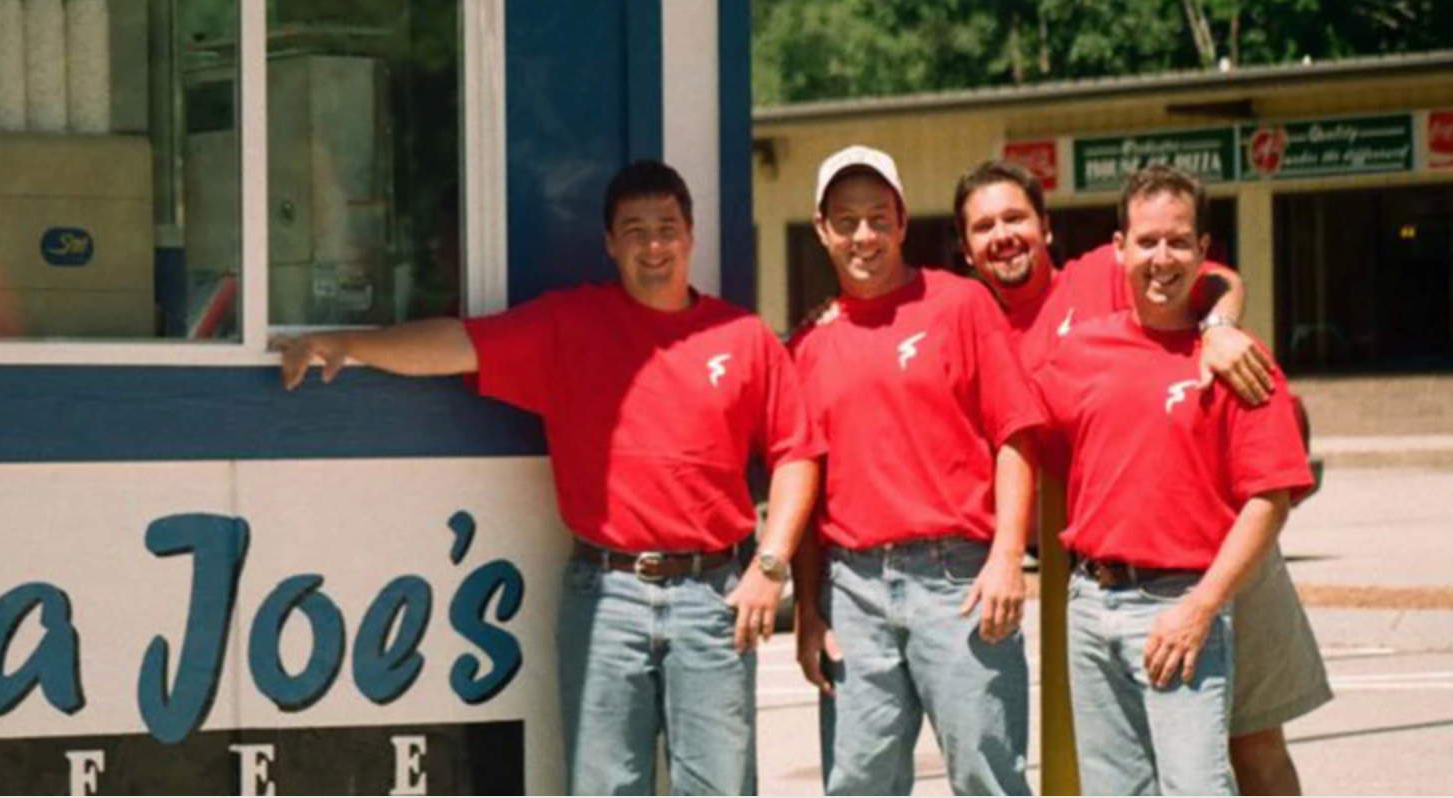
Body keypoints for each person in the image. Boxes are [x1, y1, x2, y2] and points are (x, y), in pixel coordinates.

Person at [273, 160, 822, 795]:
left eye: (667, 228)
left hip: (715, 596)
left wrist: (771, 565)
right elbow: (460, 344)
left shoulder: (742, 336)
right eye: (635, 230)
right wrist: (349, 345)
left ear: (690, 236)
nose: (653, 246)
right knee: (604, 786)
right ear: (610, 243)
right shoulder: (570, 326)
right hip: (607, 597)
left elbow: (796, 454)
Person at [953, 159, 1333, 794]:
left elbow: (1216, 281)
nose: (1003, 235)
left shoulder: (1107, 269)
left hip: (1221, 548)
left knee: (1254, 742)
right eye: (984, 226)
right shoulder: (987, 328)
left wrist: (1218, 329)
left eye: (1015, 218)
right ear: (965, 248)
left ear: (1046, 228)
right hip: (1114, 568)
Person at [786, 145, 1042, 795]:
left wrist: (1007, 554)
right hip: (852, 593)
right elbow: (807, 491)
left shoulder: (961, 305)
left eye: (878, 217)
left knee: (989, 777)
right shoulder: (808, 347)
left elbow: (1016, 436)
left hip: (959, 580)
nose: (863, 235)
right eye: (845, 221)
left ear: (903, 223)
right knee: (857, 784)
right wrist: (809, 613)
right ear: (822, 230)